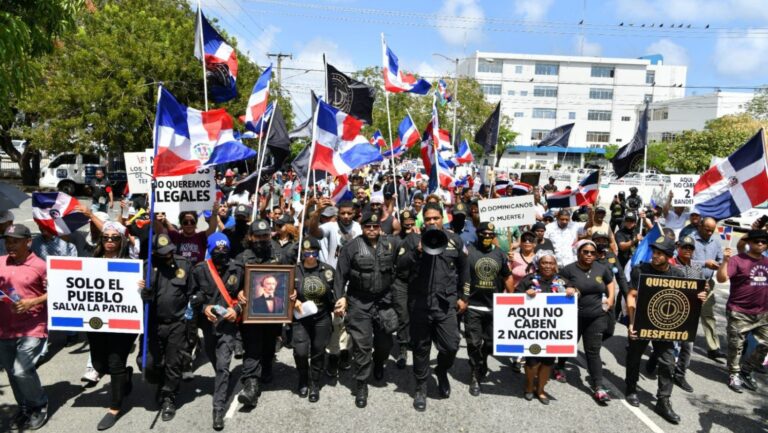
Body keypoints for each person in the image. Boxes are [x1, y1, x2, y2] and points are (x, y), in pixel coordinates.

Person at [397, 202, 469, 411]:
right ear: (423, 220)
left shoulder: (454, 240)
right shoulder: (412, 239)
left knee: (451, 345)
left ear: (442, 218)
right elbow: (399, 266)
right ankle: (421, 387)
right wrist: (416, 252)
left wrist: (464, 296)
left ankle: (442, 370)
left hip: (445, 304)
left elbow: (465, 270)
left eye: (435, 218)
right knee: (421, 348)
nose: (431, 222)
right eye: (427, 219)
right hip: (419, 304)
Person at [625, 236, 704, 424]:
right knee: (634, 358)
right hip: (641, 324)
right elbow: (631, 296)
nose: (655, 256)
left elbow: (688, 301)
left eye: (659, 253)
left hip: (664, 327)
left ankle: (663, 401)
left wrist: (699, 297)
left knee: (668, 363)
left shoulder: (678, 274)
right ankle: (630, 389)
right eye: (654, 252)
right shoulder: (640, 270)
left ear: (668, 256)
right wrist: (631, 323)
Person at [336, 211, 396, 408]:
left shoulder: (391, 244)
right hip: (359, 302)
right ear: (362, 228)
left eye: (375, 226)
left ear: (380, 227)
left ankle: (379, 363)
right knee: (362, 345)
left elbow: (403, 267)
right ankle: (361, 383)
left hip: (384, 301)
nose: (372, 230)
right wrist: (340, 299)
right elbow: (340, 276)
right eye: (368, 226)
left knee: (385, 342)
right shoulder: (351, 247)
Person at [87, 222, 142, 431]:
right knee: (100, 365)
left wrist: (141, 285)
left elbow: (142, 290)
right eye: (106, 237)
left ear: (122, 241)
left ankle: (114, 408)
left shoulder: (131, 263)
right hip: (96, 323)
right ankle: (126, 377)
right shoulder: (91, 261)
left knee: (115, 362)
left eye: (115, 238)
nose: (110, 241)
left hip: (122, 323)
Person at [234, 219, 292, 408]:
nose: (261, 239)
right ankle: (251, 385)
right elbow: (233, 284)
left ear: (270, 235)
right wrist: (239, 293)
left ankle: (267, 367)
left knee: (269, 345)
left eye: (265, 235)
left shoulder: (279, 254)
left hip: (274, 313)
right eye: (257, 236)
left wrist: (293, 291)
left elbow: (289, 279)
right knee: (252, 349)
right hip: (250, 315)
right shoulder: (243, 258)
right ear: (251, 237)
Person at [190, 233, 241, 430]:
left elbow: (245, 295)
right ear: (210, 250)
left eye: (224, 250)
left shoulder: (237, 268)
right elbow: (192, 294)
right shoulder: (200, 270)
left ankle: (218, 408)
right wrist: (204, 308)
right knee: (215, 359)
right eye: (217, 250)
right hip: (208, 325)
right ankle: (223, 379)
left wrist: (235, 310)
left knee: (222, 365)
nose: (221, 254)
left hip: (228, 326)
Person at [0, 224, 49, 430]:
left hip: (33, 327)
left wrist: (32, 302)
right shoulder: (0, 262)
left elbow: (57, 292)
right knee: (12, 372)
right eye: (7, 240)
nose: (10, 245)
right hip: (4, 328)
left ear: (28, 241)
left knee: (21, 370)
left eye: (15, 241)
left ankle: (39, 404)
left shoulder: (40, 265)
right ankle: (24, 407)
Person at [141, 233, 193, 422]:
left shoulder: (184, 265)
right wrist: (143, 294)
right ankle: (161, 383)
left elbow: (192, 293)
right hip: (153, 323)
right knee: (147, 362)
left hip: (177, 324)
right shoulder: (147, 267)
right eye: (163, 253)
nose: (168, 255)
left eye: (170, 251)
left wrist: (191, 322)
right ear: (154, 252)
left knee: (173, 363)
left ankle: (168, 397)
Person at [555, 240, 615, 402]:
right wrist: (566, 287)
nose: (589, 255)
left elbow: (610, 282)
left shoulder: (601, 268)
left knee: (593, 351)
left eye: (592, 253)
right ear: (578, 252)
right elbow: (557, 281)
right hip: (573, 316)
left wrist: (610, 298)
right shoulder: (569, 269)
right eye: (585, 252)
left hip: (596, 316)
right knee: (569, 344)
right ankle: (560, 367)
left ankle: (598, 386)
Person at [517, 250, 575, 404]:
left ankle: (541, 389)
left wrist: (573, 291)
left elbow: (576, 294)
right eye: (544, 262)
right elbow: (514, 298)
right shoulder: (528, 280)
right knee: (532, 362)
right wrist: (525, 294)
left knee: (548, 362)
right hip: (533, 330)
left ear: (555, 265)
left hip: (553, 331)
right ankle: (529, 386)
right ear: (538, 264)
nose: (548, 266)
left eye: (551, 263)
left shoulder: (562, 281)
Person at [309, 200, 360, 374]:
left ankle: (345, 352)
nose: (346, 216)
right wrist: (317, 211)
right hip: (333, 280)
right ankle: (333, 355)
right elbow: (313, 231)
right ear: (338, 213)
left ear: (354, 213)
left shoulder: (359, 228)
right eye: (343, 213)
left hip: (353, 280)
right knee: (335, 318)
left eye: (349, 213)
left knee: (348, 320)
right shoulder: (330, 227)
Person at [464, 222, 513, 395]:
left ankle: (483, 359)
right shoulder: (468, 251)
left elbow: (507, 277)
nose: (486, 236)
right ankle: (475, 375)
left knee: (491, 343)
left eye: (490, 234)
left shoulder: (499, 254)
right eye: (483, 233)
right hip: (473, 306)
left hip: (494, 306)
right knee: (474, 343)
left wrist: (511, 297)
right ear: (477, 234)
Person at [716, 229, 768, 393]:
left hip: (763, 313)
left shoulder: (767, 262)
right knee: (736, 347)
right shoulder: (738, 260)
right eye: (756, 241)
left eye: (763, 241)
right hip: (739, 311)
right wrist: (725, 261)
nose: (760, 243)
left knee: (766, 344)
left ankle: (746, 371)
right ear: (749, 243)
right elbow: (721, 279)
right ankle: (734, 374)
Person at [291, 237, 341, 403]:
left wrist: (341, 303)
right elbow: (282, 291)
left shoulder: (328, 270)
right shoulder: (294, 270)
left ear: (318, 253)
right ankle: (302, 377)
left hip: (322, 317)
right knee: (301, 351)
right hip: (301, 318)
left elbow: (338, 292)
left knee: (319, 351)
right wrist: (292, 299)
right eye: (307, 253)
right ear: (302, 253)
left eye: (313, 253)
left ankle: (314, 383)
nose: (310, 256)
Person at [664, 235, 706, 393]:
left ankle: (680, 374)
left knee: (687, 346)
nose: (688, 250)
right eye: (685, 247)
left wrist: (703, 294)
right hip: (670, 311)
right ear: (678, 248)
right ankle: (656, 361)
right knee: (666, 345)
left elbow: (702, 287)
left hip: (690, 313)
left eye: (691, 248)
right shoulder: (670, 265)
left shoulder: (697, 267)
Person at [692, 217, 726, 361]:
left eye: (712, 231)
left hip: (707, 284)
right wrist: (704, 264)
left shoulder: (716, 241)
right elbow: (682, 261)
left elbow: (719, 259)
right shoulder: (690, 240)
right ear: (700, 226)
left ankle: (713, 348)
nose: (709, 233)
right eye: (707, 230)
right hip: (690, 283)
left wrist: (722, 263)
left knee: (708, 316)